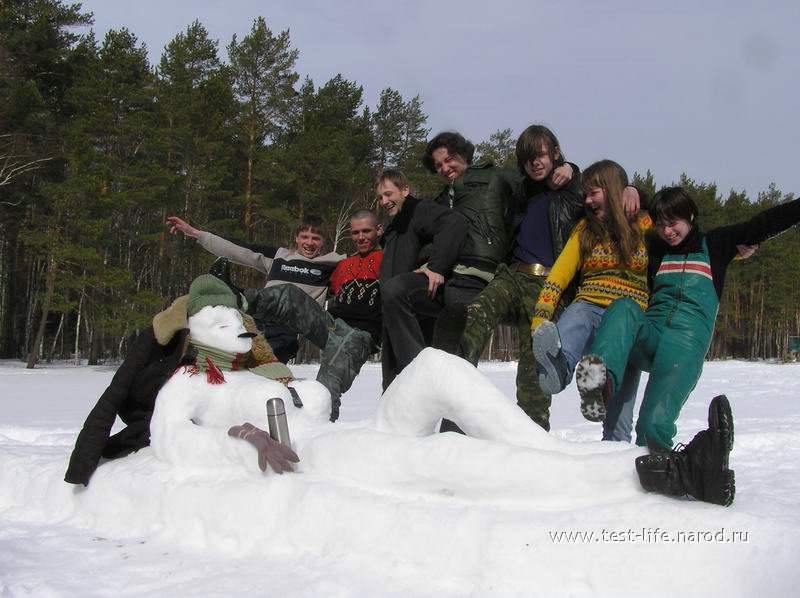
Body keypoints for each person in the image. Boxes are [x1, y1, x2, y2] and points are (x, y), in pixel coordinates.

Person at [576, 188, 800, 457]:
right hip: (653, 332)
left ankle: (654, 471)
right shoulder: (655, 248)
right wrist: (634, 191)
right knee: (623, 307)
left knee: (651, 427)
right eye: (660, 225)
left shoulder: (717, 244)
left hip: (684, 347)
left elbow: (764, 223)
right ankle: (600, 383)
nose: (667, 231)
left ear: (690, 216)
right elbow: (623, 217)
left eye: (673, 224)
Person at [64, 276, 295, 486]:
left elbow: (268, 367)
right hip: (158, 426)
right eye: (223, 325)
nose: (239, 331)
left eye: (239, 322)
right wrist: (236, 443)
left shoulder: (248, 361)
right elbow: (165, 431)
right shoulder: (185, 374)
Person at [437, 125, 585, 430]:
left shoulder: (573, 192)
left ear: (556, 154)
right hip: (510, 275)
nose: (535, 162)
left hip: (547, 285)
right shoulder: (521, 194)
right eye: (528, 157)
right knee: (474, 317)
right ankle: (453, 388)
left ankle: (534, 432)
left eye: (541, 154)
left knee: (533, 363)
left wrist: (574, 170)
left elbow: (605, 194)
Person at [166, 213, 377, 421]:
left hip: (285, 330)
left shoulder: (331, 263)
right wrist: (196, 233)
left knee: (263, 375)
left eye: (316, 238)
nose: (309, 243)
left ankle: (291, 416)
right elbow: (239, 250)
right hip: (255, 319)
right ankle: (195, 411)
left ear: (323, 242)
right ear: (296, 237)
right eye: (305, 237)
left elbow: (367, 259)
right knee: (224, 368)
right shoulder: (279, 256)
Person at [531, 160, 651, 441]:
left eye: (593, 192)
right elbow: (560, 274)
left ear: (613, 189)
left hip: (627, 325)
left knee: (619, 424)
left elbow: (679, 224)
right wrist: (541, 317)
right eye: (585, 194)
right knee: (578, 313)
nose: (587, 200)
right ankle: (557, 368)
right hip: (591, 306)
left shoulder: (645, 223)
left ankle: (600, 388)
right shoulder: (585, 229)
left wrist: (638, 190)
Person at [377, 169, 467, 389]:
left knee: (417, 382)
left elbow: (454, 222)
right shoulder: (394, 228)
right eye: (380, 197)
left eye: (389, 194)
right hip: (397, 312)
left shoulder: (417, 209)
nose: (384, 201)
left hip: (417, 299)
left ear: (405, 190)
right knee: (391, 388)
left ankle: (419, 375)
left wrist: (437, 266)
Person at [421, 131, 514, 304]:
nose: (445, 169)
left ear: (464, 155)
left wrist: (568, 167)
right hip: (449, 272)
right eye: (439, 165)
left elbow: (529, 183)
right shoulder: (441, 201)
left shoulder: (493, 176)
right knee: (402, 290)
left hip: (481, 271)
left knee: (456, 300)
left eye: (449, 160)